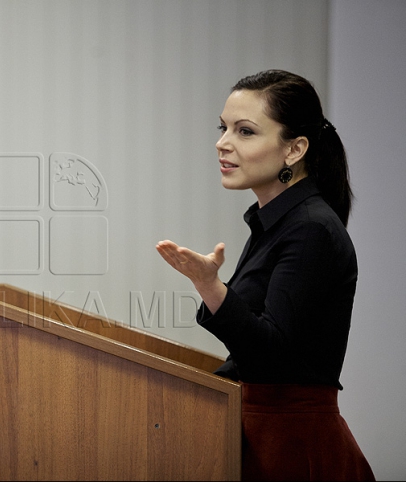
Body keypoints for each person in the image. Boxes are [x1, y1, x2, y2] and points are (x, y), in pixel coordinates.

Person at [156, 70, 374, 481]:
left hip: (292, 445)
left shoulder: (311, 228)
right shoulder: (280, 221)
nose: (223, 143)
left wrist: (210, 286)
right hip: (266, 433)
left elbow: (273, 355)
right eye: (223, 128)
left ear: (295, 149)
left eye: (245, 131)